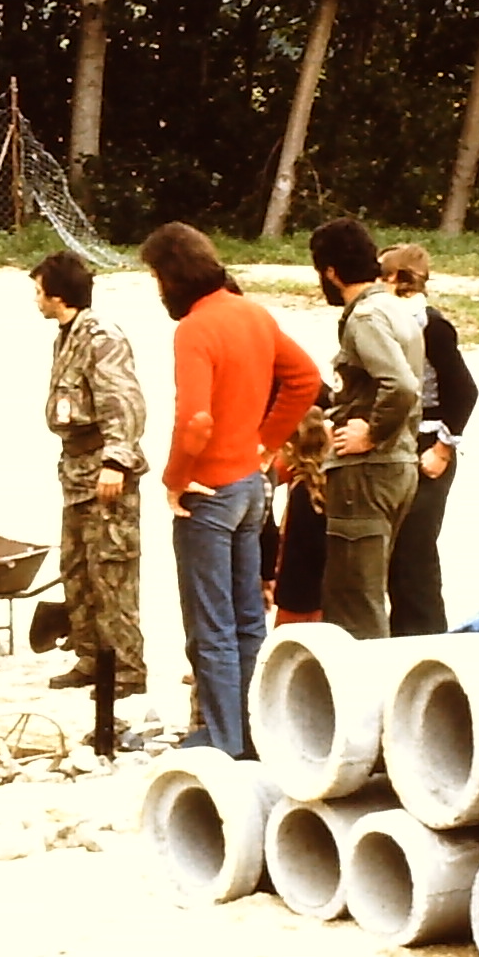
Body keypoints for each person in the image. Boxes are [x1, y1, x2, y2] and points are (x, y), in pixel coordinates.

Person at [145, 224, 320, 755]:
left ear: (172, 277)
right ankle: (254, 729)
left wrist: (174, 480)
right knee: (248, 617)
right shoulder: (253, 313)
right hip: (250, 482)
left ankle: (223, 739)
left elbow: (195, 421)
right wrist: (265, 442)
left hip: (210, 488)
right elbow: (305, 379)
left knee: (211, 623)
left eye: (156, 278)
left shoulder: (196, 329)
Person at [31, 251, 150, 695]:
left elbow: (124, 402)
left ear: (58, 294)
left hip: (103, 469)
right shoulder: (66, 336)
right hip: (75, 472)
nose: (36, 300)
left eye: (39, 291)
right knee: (78, 570)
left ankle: (126, 670)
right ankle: (90, 656)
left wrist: (116, 460)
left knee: (113, 573)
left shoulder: (102, 337)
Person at [310, 217, 426, 640]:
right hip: (397, 466)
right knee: (369, 592)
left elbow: (402, 386)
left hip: (368, 470)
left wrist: (371, 433)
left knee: (353, 601)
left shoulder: (365, 318)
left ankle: (364, 703)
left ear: (331, 272)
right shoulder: (396, 307)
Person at [379, 244, 479, 637]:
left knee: (415, 553)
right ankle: (401, 635)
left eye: (381, 273)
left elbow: (466, 390)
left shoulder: (432, 325)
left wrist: (443, 447)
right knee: (396, 552)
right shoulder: (389, 320)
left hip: (431, 443)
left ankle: (426, 639)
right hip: (402, 443)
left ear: (397, 279)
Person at [261, 405, 333, 626]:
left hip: (296, 599)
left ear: (290, 448)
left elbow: (291, 548)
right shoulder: (329, 485)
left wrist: (270, 578)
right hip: (325, 596)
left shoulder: (301, 493)